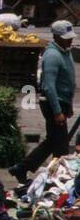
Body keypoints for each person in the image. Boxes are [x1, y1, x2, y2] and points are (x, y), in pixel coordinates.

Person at [11, 20, 75, 182]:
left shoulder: (65, 52)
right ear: (56, 37)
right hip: (53, 104)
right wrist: (58, 111)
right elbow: (48, 86)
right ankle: (59, 178)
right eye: (66, 37)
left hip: (62, 103)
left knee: (52, 141)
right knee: (61, 147)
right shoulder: (52, 55)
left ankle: (22, 167)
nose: (70, 40)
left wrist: (68, 105)